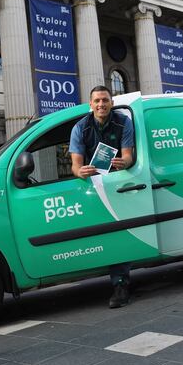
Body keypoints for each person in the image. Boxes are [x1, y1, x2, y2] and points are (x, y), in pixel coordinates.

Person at [69, 85, 134, 309]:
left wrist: (123, 163)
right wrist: (81, 171)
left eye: (105, 100)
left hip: (117, 184)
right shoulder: (80, 127)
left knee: (117, 233)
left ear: (111, 103)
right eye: (97, 101)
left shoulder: (124, 122)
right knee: (100, 235)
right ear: (90, 105)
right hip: (92, 187)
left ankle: (120, 283)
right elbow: (75, 166)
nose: (101, 104)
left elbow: (128, 157)